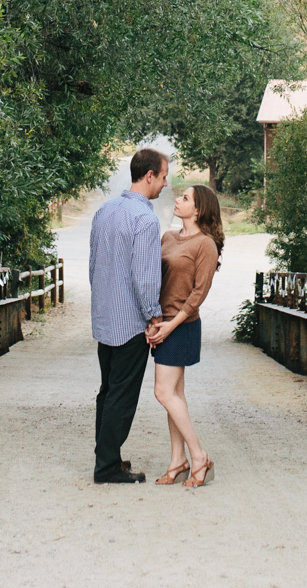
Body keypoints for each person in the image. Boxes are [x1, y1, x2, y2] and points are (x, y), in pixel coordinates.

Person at [89, 145, 169, 483]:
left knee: (108, 391)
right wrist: (154, 316)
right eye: (164, 178)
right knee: (122, 395)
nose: (166, 185)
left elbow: (94, 266)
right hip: (130, 326)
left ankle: (108, 457)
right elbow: (145, 276)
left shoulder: (105, 210)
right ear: (149, 175)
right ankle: (106, 467)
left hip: (106, 319)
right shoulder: (146, 220)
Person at [147, 183, 222, 487]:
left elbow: (198, 294)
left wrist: (171, 324)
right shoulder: (167, 237)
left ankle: (199, 455)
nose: (177, 199)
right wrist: (152, 320)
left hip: (182, 325)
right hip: (161, 322)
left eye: (185, 198)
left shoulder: (205, 245)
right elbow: (153, 280)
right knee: (174, 395)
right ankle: (178, 461)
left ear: (199, 209)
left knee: (163, 392)